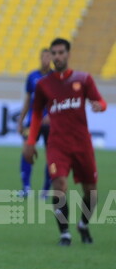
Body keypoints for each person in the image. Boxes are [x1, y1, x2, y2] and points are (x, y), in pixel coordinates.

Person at [23, 38, 107, 246]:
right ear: (50, 56)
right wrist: (30, 141)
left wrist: (100, 106)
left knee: (91, 191)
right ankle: (64, 233)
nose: (57, 57)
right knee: (59, 185)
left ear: (68, 54)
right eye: (54, 53)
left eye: (61, 52)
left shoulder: (83, 79)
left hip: (82, 144)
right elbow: (35, 115)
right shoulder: (43, 85)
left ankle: (83, 224)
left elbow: (101, 101)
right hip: (57, 144)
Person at [17, 48, 52, 197]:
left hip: (51, 124)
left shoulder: (55, 77)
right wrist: (21, 119)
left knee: (51, 156)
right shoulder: (32, 76)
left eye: (48, 57)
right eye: (43, 56)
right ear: (40, 58)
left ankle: (46, 189)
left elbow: (59, 100)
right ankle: (26, 187)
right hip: (33, 121)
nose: (46, 59)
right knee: (27, 151)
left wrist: (51, 116)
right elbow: (27, 100)